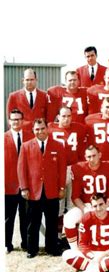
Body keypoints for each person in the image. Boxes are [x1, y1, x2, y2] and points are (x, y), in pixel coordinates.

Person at [18, 118, 67, 258]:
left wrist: (62, 187)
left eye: (42, 128)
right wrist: (24, 188)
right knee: (33, 222)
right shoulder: (26, 146)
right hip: (33, 192)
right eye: (37, 129)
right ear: (33, 130)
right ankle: (32, 249)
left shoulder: (58, 146)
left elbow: (62, 169)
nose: (40, 131)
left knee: (51, 221)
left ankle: (51, 248)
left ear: (47, 128)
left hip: (52, 191)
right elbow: (21, 169)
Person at [63, 145, 109, 249]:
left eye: (94, 155)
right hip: (86, 205)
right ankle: (75, 250)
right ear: (85, 157)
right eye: (89, 157)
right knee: (69, 219)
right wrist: (85, 209)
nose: (92, 159)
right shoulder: (78, 168)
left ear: (100, 155)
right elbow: (75, 196)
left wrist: (103, 207)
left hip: (104, 204)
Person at [62, 193, 109, 272]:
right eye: (95, 206)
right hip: (92, 254)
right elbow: (82, 244)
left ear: (106, 204)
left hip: (108, 254)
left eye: (101, 204)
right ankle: (102, 269)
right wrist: (93, 257)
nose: (99, 208)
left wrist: (103, 255)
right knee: (66, 254)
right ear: (92, 207)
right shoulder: (86, 217)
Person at [48, 106, 88, 218]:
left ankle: (70, 230)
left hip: (73, 167)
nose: (66, 119)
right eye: (63, 116)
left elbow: (82, 150)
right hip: (56, 169)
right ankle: (58, 232)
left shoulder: (79, 128)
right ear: (58, 117)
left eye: (69, 116)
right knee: (58, 203)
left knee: (73, 201)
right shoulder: (50, 128)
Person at [4, 109, 33, 253]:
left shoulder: (30, 137)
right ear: (9, 122)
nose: (16, 122)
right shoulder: (3, 139)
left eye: (19, 119)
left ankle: (26, 243)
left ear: (23, 121)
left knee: (26, 217)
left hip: (26, 186)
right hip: (8, 186)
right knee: (7, 218)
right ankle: (6, 244)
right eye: (13, 119)